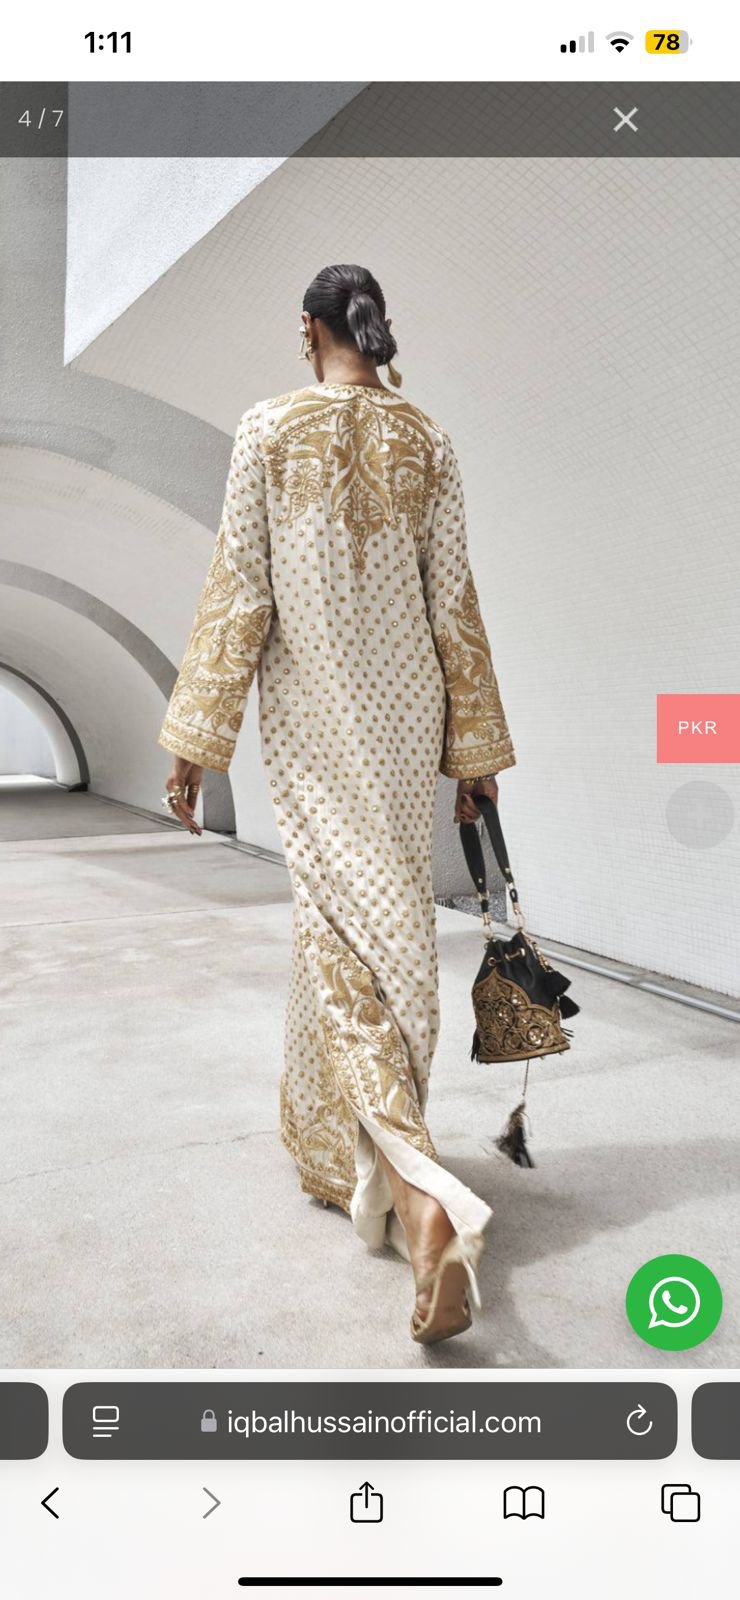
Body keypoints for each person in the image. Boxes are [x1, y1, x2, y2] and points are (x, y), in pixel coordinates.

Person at [158, 263, 516, 1344]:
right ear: (375, 328)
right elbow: (452, 603)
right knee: (386, 931)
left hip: (314, 725)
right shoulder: (430, 439)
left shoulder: (267, 428)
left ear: (307, 329)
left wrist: (196, 739)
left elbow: (241, 588)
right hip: (406, 725)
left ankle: (420, 1200)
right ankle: (344, 1164)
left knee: (336, 935)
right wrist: (473, 755)